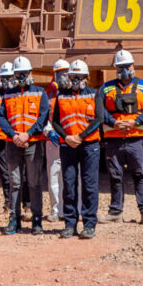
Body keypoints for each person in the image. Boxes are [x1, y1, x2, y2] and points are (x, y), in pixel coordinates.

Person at [99, 49, 143, 225]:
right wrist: (114, 122)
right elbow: (99, 110)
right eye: (121, 67)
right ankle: (115, 213)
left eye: (127, 66)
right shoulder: (106, 87)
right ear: (116, 68)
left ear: (133, 66)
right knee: (115, 176)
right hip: (114, 139)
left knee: (140, 175)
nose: (124, 69)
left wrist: (135, 122)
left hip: (137, 138)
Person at [0, 56, 51, 235]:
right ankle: (15, 220)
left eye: (24, 73)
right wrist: (14, 136)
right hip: (13, 144)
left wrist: (28, 134)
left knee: (34, 182)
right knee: (16, 183)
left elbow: (43, 117)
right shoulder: (8, 94)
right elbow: (2, 118)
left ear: (30, 73)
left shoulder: (39, 92)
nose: (20, 76)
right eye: (17, 73)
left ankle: (37, 221)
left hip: (33, 143)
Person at [52, 60, 103, 239]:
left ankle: (89, 225)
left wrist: (81, 137)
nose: (75, 80)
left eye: (79, 77)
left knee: (89, 184)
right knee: (69, 184)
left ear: (86, 78)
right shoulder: (61, 95)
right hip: (68, 144)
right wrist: (66, 137)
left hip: (89, 145)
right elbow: (55, 121)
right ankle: (70, 224)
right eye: (73, 76)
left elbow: (99, 119)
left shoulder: (94, 94)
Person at [44, 59, 70, 222]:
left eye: (66, 73)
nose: (63, 76)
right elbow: (42, 116)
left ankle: (77, 209)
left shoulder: (76, 93)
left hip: (72, 140)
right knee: (54, 175)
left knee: (75, 176)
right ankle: (56, 210)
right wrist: (48, 132)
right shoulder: (48, 94)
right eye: (59, 73)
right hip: (53, 140)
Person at [0, 61, 15, 216]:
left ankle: (25, 206)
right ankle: (8, 205)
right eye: (3, 77)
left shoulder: (18, 94)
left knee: (21, 174)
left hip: (15, 138)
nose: (5, 81)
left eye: (8, 77)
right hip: (0, 139)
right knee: (5, 174)